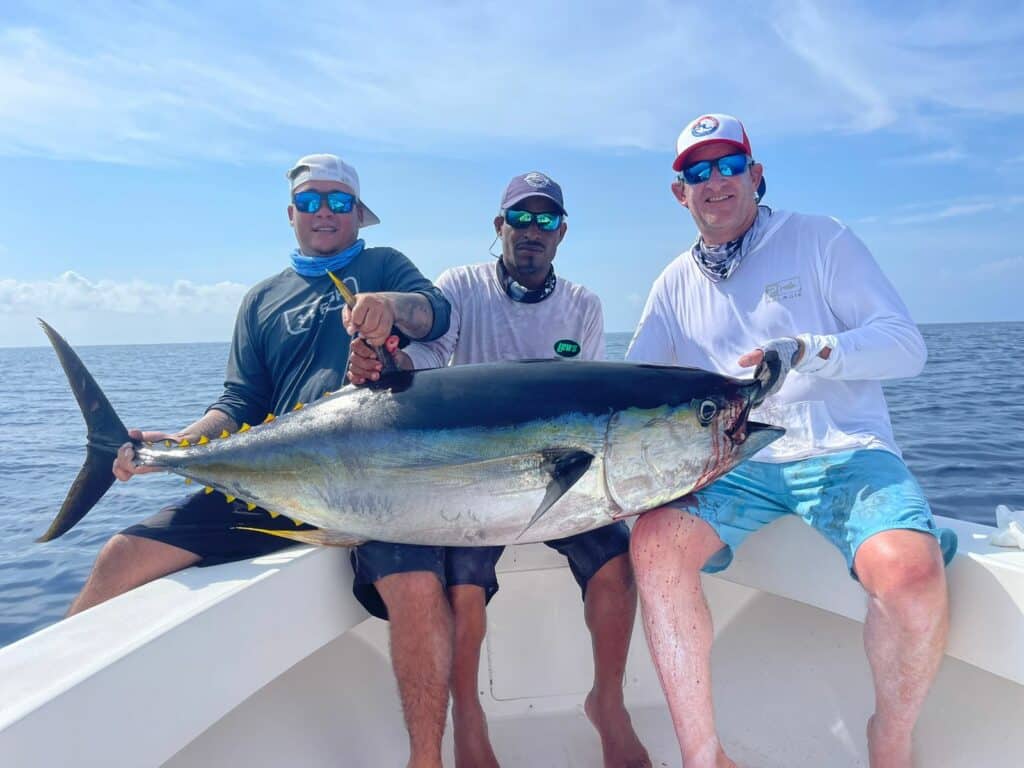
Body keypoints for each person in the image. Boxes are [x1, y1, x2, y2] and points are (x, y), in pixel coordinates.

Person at [69, 154, 454, 768]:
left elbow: (437, 312)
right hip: (271, 480)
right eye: (311, 201)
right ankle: (49, 727)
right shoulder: (261, 299)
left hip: (376, 478)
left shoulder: (383, 265)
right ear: (291, 213)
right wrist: (172, 446)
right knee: (121, 556)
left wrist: (388, 305)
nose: (324, 213)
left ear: (358, 213)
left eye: (337, 201)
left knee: (416, 586)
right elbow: (239, 402)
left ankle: (427, 761)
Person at [625, 114, 957, 768]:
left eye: (728, 165)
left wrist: (809, 349)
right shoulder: (673, 284)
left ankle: (888, 740)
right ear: (679, 193)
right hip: (735, 463)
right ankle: (704, 756)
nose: (714, 180)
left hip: (845, 453)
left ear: (756, 173)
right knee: (654, 543)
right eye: (697, 171)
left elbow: (904, 345)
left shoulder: (820, 239)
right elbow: (631, 385)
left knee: (911, 577)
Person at [348, 172, 651, 768]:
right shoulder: (461, 287)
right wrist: (389, 356)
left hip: (561, 479)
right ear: (499, 226)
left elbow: (593, 405)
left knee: (617, 565)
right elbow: (428, 360)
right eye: (520, 218)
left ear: (561, 232)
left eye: (545, 220)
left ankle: (608, 706)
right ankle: (470, 717)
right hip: (474, 476)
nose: (531, 231)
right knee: (462, 585)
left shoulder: (583, 305)